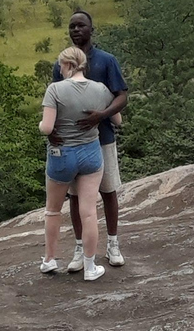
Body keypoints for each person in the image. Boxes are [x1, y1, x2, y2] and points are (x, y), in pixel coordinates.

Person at [52, 10, 129, 272]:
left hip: (103, 137)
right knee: (75, 197)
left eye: (81, 25)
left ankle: (113, 243)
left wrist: (103, 115)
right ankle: (78, 247)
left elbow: (121, 96)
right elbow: (54, 99)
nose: (76, 30)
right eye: (72, 26)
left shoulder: (106, 61)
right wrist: (52, 130)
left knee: (108, 191)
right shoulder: (61, 63)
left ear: (91, 29)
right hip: (72, 141)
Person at [39, 47, 123, 282]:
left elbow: (46, 128)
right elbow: (117, 119)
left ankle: (49, 260)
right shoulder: (100, 89)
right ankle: (90, 266)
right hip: (91, 153)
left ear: (65, 65)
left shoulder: (55, 90)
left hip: (61, 154)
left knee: (53, 210)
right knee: (89, 212)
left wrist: (42, 126)